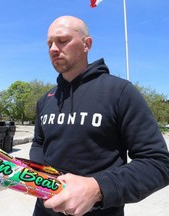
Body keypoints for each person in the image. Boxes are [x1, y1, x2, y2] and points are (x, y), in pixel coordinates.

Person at [29, 15, 169, 216]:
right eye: (49, 43)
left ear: (87, 44)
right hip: (44, 210)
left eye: (62, 41)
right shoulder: (46, 99)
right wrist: (39, 173)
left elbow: (158, 163)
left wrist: (97, 189)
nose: (53, 49)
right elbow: (39, 142)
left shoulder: (120, 92)